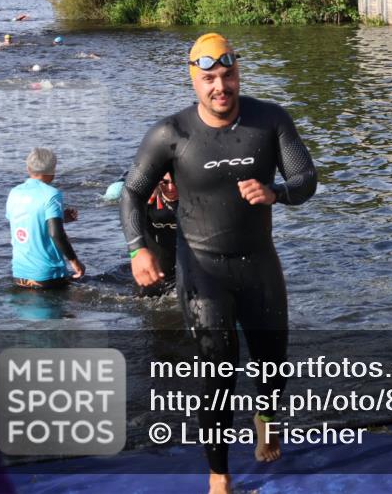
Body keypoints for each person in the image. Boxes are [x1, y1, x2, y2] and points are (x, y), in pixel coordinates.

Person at [120, 33, 317, 494]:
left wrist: (277, 193)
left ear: (238, 72)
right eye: (209, 78)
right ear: (195, 81)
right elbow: (131, 191)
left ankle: (265, 418)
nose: (220, 87)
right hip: (203, 268)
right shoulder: (172, 133)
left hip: (259, 263)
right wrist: (138, 248)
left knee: (273, 364)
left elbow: (306, 178)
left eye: (227, 75)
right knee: (216, 371)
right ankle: (220, 472)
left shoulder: (270, 120)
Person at [6, 148, 85, 289]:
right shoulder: (52, 194)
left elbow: (26, 221)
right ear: (52, 170)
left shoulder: (14, 192)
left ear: (28, 168)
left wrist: (60, 218)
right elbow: (56, 234)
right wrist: (75, 262)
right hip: (48, 276)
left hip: (19, 275)